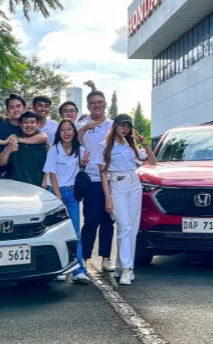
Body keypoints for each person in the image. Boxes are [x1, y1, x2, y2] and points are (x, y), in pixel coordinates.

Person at [99, 114, 155, 285]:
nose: (125, 129)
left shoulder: (132, 146)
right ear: (115, 126)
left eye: (128, 126)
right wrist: (108, 198)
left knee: (132, 228)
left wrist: (144, 144)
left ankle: (120, 266)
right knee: (124, 226)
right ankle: (127, 268)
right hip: (117, 185)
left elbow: (152, 162)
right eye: (122, 125)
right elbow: (103, 173)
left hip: (134, 184)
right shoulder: (105, 146)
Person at [44, 119, 92, 284]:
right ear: (59, 133)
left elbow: (79, 173)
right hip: (55, 194)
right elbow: (52, 175)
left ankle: (79, 269)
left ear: (74, 132)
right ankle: (62, 268)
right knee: (57, 232)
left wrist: (83, 166)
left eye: (69, 129)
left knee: (75, 232)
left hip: (72, 194)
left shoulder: (80, 150)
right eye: (63, 129)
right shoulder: (54, 150)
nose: (66, 132)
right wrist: (58, 199)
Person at [77, 90, 115, 271]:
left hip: (112, 179)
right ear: (88, 106)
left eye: (100, 102)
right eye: (93, 103)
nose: (97, 105)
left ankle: (106, 257)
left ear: (105, 103)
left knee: (108, 220)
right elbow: (72, 145)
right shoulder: (81, 125)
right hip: (92, 179)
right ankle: (84, 258)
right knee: (91, 220)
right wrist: (84, 128)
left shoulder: (113, 125)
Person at [0, 94, 47, 176]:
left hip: (13, 177)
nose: (15, 110)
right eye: (11, 107)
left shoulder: (26, 127)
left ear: (24, 108)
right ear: (7, 111)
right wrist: (4, 142)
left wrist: (18, 140)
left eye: (18, 106)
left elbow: (43, 137)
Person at [0, 111, 48, 186]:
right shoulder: (13, 143)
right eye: (25, 122)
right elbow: (0, 163)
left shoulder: (44, 146)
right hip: (16, 190)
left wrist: (44, 187)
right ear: (20, 125)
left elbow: (49, 170)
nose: (29, 125)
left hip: (38, 190)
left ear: (37, 124)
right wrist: (7, 150)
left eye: (32, 122)